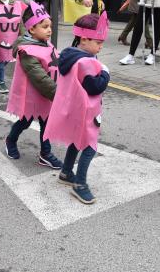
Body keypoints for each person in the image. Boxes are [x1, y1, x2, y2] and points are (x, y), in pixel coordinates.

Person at [44, 12, 110, 205]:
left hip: (72, 108)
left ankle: (66, 172)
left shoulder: (69, 55)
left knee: (76, 140)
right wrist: (105, 72)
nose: (101, 46)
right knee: (89, 146)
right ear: (84, 38)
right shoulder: (86, 62)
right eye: (98, 42)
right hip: (86, 111)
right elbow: (95, 86)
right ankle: (80, 185)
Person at [5, 1, 64, 169]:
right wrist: (58, 93)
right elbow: (38, 77)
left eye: (50, 26)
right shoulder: (27, 51)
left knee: (46, 123)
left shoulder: (46, 43)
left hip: (48, 95)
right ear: (31, 29)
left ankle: (45, 154)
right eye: (45, 27)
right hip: (35, 95)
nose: (49, 30)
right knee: (25, 122)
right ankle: (10, 140)